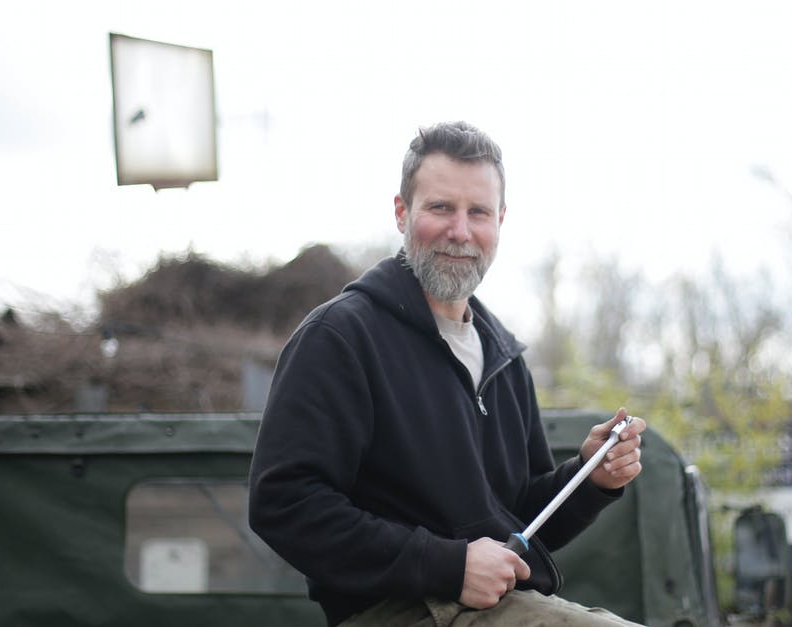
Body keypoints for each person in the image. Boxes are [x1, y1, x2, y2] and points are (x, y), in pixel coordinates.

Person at [248, 121, 647, 626]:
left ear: (500, 221)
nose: (460, 232)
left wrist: (590, 478)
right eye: (441, 208)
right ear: (401, 212)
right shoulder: (340, 337)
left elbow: (519, 520)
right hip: (395, 610)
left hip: (503, 605)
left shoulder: (504, 355)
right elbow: (283, 503)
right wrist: (447, 565)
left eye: (477, 212)